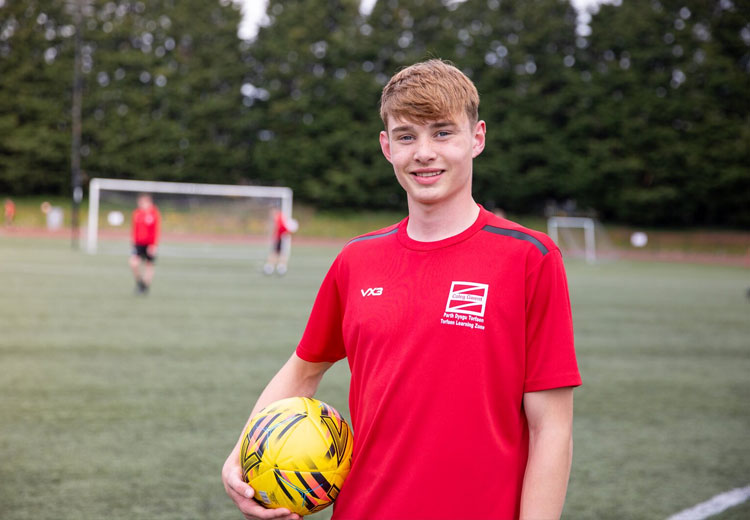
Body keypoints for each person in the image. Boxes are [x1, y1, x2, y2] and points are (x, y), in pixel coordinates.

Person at [222, 59, 581, 520]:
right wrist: (241, 457)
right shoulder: (356, 260)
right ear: (386, 146)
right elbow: (302, 371)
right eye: (407, 136)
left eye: (442, 132)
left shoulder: (530, 258)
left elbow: (551, 426)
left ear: (477, 138)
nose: (424, 152)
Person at [129, 193, 161, 294]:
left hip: (150, 244)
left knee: (149, 265)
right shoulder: (136, 213)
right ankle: (140, 282)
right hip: (138, 244)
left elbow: (156, 230)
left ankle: (145, 286)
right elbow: (134, 229)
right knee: (133, 263)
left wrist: (154, 245)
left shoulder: (154, 213)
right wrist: (133, 242)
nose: (140, 204)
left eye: (143, 202)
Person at [263, 208, 297, 276]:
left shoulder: (280, 218)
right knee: (277, 253)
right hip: (279, 239)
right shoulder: (279, 218)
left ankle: (276, 267)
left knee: (277, 253)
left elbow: (283, 229)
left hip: (280, 239)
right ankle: (274, 267)